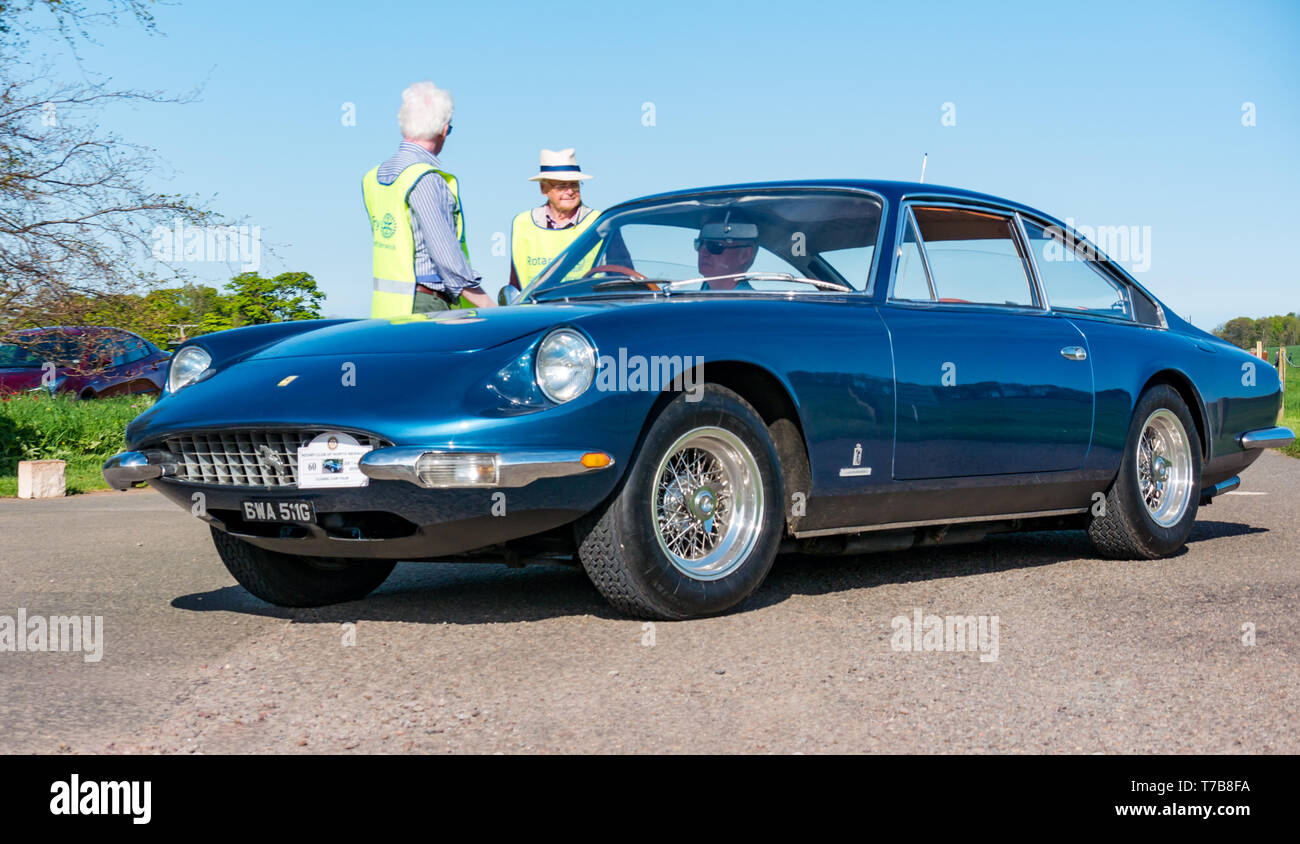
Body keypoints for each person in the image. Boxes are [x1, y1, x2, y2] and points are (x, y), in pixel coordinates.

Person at [363, 81, 494, 317]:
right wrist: (489, 306)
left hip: (386, 309)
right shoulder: (426, 178)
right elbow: (446, 257)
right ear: (444, 129)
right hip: (427, 305)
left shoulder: (374, 177)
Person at [507, 149, 601, 292]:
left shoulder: (599, 222)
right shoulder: (522, 224)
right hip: (535, 311)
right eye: (562, 186)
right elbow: (515, 283)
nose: (570, 191)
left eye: (574, 185)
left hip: (587, 309)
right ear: (543, 189)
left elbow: (621, 271)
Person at [695, 218, 758, 290]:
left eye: (715, 246)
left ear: (745, 255)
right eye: (699, 243)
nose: (702, 252)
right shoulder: (689, 298)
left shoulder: (751, 300)